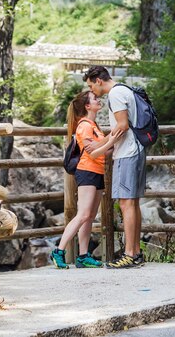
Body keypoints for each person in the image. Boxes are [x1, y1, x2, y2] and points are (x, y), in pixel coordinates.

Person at [83, 66, 146, 268]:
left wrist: (102, 148)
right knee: (133, 203)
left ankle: (129, 254)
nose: (92, 90)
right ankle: (135, 252)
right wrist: (101, 145)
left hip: (127, 153)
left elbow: (122, 126)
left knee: (126, 203)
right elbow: (121, 127)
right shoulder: (124, 90)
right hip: (136, 150)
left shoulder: (116, 94)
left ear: (98, 80)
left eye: (91, 85)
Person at [51, 90, 118, 269]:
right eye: (94, 99)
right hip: (87, 172)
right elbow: (91, 151)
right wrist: (112, 140)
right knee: (82, 215)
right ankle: (58, 251)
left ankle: (83, 256)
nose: (98, 100)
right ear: (87, 106)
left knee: (89, 216)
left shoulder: (94, 125)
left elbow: (105, 150)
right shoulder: (84, 126)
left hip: (97, 172)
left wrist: (116, 139)